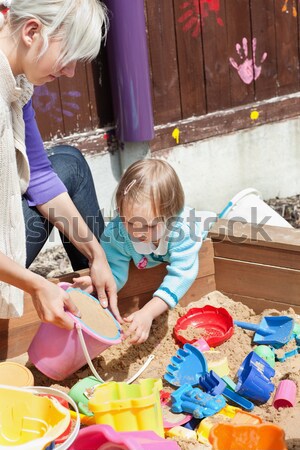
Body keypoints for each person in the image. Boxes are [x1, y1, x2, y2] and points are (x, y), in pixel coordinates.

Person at [0, 0, 117, 330]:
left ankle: (98, 304)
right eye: (69, 57)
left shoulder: (17, 82)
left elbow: (38, 174)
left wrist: (97, 255)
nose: (70, 72)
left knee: (70, 164)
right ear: (32, 31)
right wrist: (37, 285)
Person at [73, 159, 216, 343]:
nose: (141, 232)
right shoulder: (118, 234)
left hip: (199, 228)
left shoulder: (182, 231)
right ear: (120, 211)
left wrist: (148, 312)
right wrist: (98, 283)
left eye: (152, 225)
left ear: (172, 215)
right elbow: (115, 271)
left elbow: (182, 275)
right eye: (132, 223)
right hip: (154, 255)